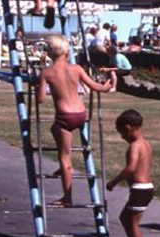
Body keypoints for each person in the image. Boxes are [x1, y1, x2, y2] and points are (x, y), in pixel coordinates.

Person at [37, 35, 116, 207]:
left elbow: (41, 99)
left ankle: (67, 197)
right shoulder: (77, 68)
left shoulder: (47, 73)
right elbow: (95, 86)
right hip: (81, 114)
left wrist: (38, 85)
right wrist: (107, 86)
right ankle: (64, 171)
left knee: (65, 156)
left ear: (49, 54)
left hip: (64, 116)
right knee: (54, 130)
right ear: (67, 52)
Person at [106, 109, 153, 237]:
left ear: (128, 128)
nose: (122, 137)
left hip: (140, 189)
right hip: (145, 187)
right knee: (125, 218)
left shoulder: (134, 146)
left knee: (132, 223)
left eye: (121, 133)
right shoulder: (145, 143)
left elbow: (131, 168)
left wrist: (114, 181)